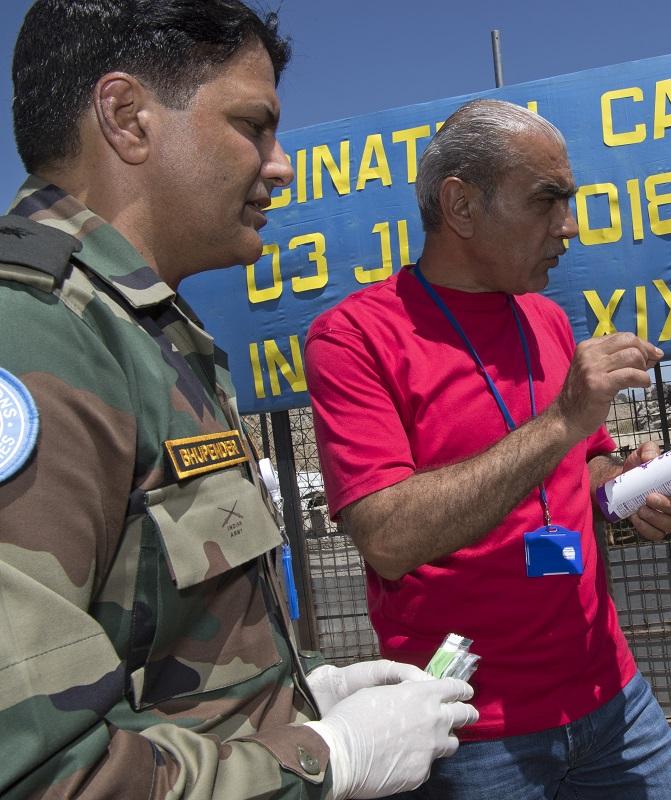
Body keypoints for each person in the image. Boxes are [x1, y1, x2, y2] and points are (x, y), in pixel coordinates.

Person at [0, 2, 475, 799]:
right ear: (127, 117)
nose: (280, 164)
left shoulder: (140, 331)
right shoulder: (33, 337)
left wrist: (296, 692)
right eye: (253, 126)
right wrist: (325, 759)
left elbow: (153, 647)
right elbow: (45, 774)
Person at [304, 98, 671, 799]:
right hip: (467, 731)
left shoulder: (544, 317)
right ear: (461, 205)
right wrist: (560, 421)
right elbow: (388, 538)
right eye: (547, 199)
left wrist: (629, 485)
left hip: (612, 697)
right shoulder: (354, 338)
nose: (568, 225)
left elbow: (582, 465)